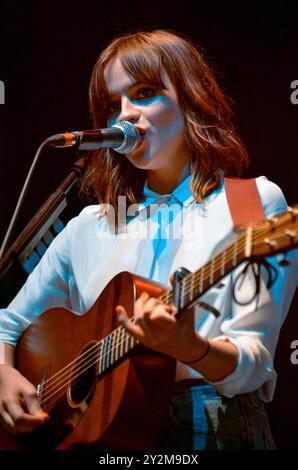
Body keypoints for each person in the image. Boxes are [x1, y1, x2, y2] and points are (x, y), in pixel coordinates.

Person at [0, 29, 297, 450]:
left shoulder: (251, 202)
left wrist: (189, 347)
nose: (124, 115)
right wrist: (3, 375)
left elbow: (254, 361)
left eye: (143, 93)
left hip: (208, 423)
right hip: (100, 433)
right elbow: (6, 324)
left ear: (191, 96)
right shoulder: (89, 226)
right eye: (111, 106)